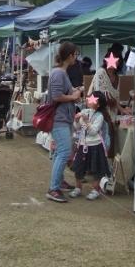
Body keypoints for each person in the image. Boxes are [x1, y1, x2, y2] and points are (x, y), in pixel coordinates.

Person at [46, 41, 82, 203]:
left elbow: (60, 93)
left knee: (61, 152)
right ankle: (53, 187)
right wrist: (73, 96)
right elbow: (56, 96)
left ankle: (58, 182)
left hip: (63, 117)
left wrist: (73, 91)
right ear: (70, 56)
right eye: (75, 54)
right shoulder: (59, 73)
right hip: (59, 118)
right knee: (64, 151)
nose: (76, 57)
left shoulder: (61, 72)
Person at [69, 90, 112, 200]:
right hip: (83, 144)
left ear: (98, 104)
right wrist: (77, 121)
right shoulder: (84, 111)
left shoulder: (99, 116)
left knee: (96, 168)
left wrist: (86, 121)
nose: (88, 100)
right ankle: (78, 187)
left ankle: (95, 189)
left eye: (92, 99)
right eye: (89, 98)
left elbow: (93, 131)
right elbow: (77, 127)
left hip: (95, 144)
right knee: (78, 166)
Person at [87, 49, 132, 116]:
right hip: (98, 113)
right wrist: (122, 109)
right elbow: (107, 97)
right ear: (105, 60)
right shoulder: (101, 73)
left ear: (119, 62)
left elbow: (115, 98)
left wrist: (122, 109)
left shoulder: (117, 77)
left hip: (112, 114)